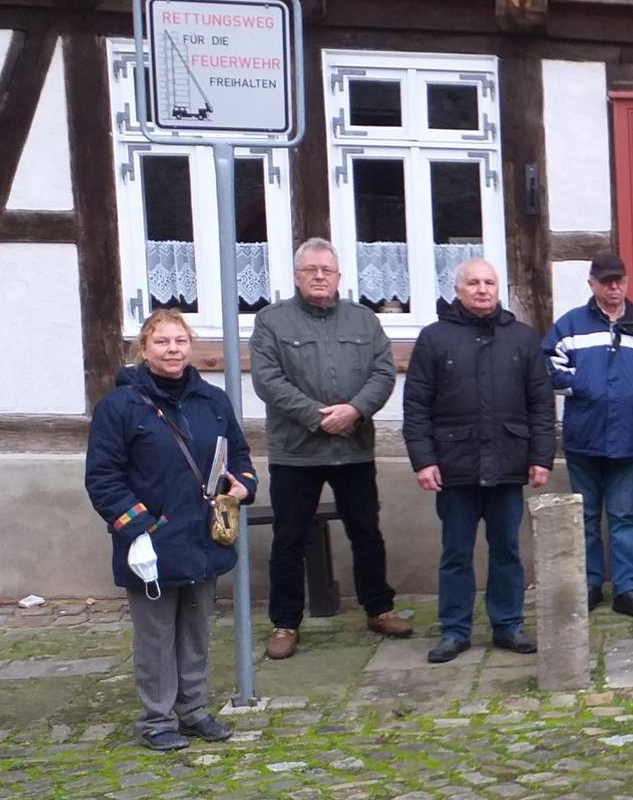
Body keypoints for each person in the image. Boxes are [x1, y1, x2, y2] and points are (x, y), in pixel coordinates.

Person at [85, 311, 257, 751]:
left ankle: (194, 709)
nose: (173, 349)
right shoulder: (119, 407)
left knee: (196, 628)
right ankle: (157, 719)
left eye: (180, 340)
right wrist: (137, 529)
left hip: (201, 535)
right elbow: (103, 477)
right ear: (143, 350)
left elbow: (238, 453)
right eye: (162, 342)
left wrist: (243, 483)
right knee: (157, 635)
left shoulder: (213, 401)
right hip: (152, 539)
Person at [250, 238, 412, 658]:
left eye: (327, 270)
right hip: (296, 451)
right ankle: (285, 622)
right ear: (297, 275)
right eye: (311, 270)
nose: (319, 276)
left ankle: (379, 608)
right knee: (289, 539)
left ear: (339, 276)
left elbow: (383, 371)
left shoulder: (363, 321)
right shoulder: (272, 321)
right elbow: (267, 380)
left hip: (353, 448)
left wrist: (355, 410)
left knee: (366, 532)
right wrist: (319, 417)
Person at [403, 258, 558, 664]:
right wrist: (423, 460)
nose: (483, 289)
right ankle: (455, 631)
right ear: (458, 290)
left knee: (506, 548)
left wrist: (542, 456)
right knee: (456, 552)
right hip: (454, 466)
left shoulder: (522, 339)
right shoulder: (435, 338)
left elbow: (541, 404)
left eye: (489, 282)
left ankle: (508, 625)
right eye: (473, 283)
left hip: (508, 462)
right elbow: (416, 406)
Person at [546, 252, 633, 617]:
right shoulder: (571, 325)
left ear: (626, 282)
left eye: (618, 280)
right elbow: (547, 365)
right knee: (586, 517)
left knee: (623, 517)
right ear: (592, 284)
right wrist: (581, 385)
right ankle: (590, 585)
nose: (613, 287)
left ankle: (626, 589)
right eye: (605, 281)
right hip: (582, 439)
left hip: (626, 439)